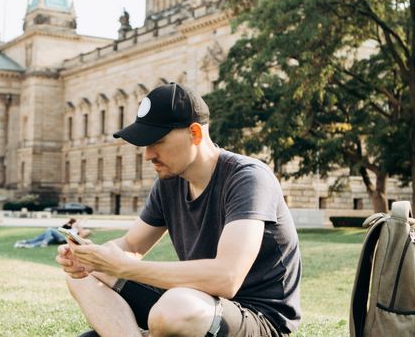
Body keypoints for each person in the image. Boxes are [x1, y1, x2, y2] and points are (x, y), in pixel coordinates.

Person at [57, 83, 301, 337]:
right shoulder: (169, 182)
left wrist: (123, 267)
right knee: (85, 276)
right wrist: (92, 257)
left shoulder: (248, 178)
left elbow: (226, 278)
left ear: (194, 133)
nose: (148, 155)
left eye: (157, 142)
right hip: (197, 301)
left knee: (175, 308)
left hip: (257, 318)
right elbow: (131, 245)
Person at [14, 219, 91, 248]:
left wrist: (78, 225)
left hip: (64, 239)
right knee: (45, 236)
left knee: (50, 229)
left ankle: (44, 243)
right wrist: (68, 223)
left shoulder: (82, 230)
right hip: (60, 237)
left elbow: (80, 237)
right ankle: (27, 244)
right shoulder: (70, 227)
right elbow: (61, 228)